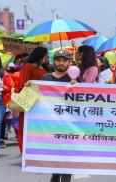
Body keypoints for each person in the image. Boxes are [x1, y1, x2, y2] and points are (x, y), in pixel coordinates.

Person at [41, 50, 74, 182]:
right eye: (58, 60)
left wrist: (77, 86)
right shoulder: (45, 78)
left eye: (64, 60)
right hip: (51, 125)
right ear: (54, 61)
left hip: (69, 125)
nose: (61, 63)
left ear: (69, 62)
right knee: (55, 155)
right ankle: (55, 175)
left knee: (68, 156)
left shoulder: (75, 79)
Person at [17, 46, 50, 154]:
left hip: (43, 103)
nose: (48, 56)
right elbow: (22, 83)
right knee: (25, 128)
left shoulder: (46, 68)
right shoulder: (27, 67)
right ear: (40, 55)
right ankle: (25, 153)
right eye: (46, 54)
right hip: (30, 101)